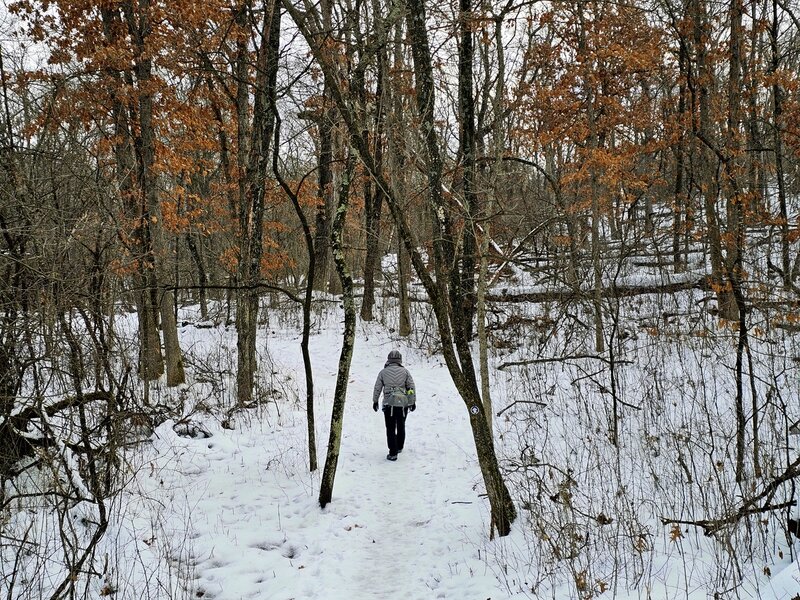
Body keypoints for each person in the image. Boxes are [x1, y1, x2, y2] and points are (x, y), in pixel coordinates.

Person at [372, 350, 416, 461]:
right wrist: (412, 402)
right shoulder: (405, 372)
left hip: (389, 404)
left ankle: (393, 453)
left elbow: (377, 387)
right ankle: (400, 446)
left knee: (390, 428)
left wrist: (375, 401)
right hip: (402, 404)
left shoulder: (383, 372)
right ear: (400, 360)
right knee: (401, 425)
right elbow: (411, 388)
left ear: (388, 359)